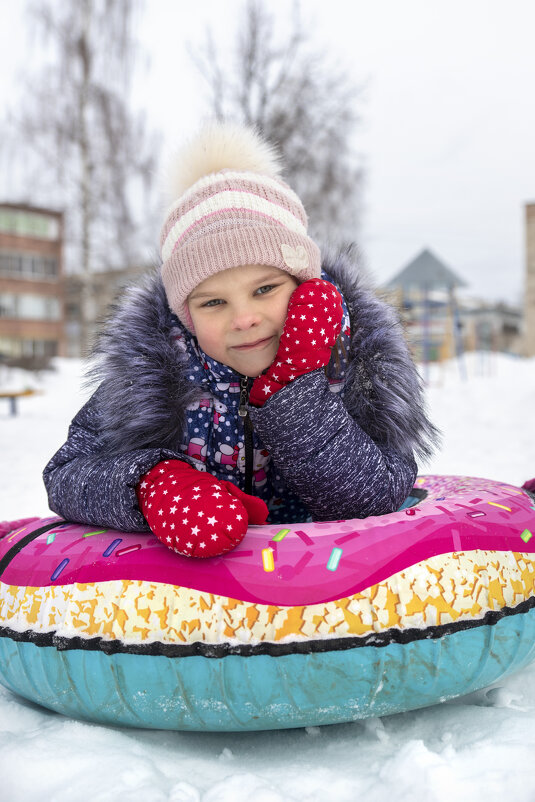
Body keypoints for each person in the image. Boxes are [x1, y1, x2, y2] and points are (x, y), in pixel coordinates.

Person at [43, 123, 439, 558]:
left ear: (306, 286)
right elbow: (67, 474)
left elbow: (373, 495)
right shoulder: (154, 375)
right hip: (204, 604)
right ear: (185, 317)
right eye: (213, 302)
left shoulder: (355, 366)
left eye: (265, 289)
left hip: (325, 595)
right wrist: (151, 483)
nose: (244, 319)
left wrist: (295, 387)